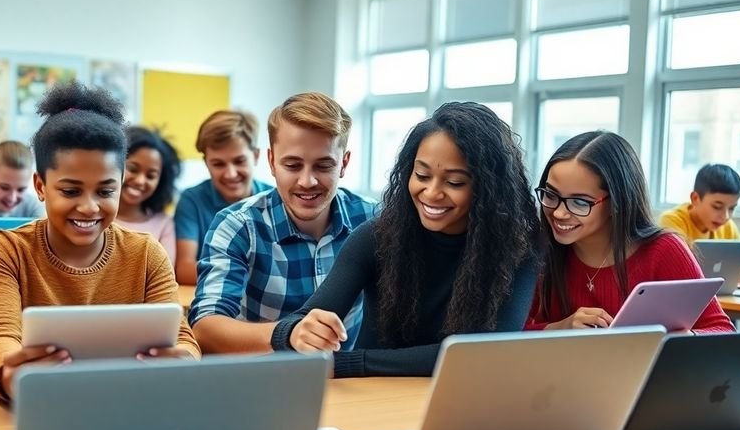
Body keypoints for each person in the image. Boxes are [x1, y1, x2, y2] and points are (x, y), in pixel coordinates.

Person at [269, 102, 540, 377]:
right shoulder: (377, 236)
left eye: (455, 182)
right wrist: (295, 333)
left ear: (489, 188)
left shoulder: (517, 250)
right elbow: (297, 322)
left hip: (460, 399)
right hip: (373, 398)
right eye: (422, 175)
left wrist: (351, 362)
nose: (431, 193)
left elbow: (480, 352)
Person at [0, 82, 200, 402]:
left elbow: (182, 337)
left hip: (133, 403)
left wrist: (185, 362)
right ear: (40, 186)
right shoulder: (6, 251)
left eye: (106, 191)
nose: (89, 207)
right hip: (43, 403)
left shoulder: (147, 253)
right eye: (70, 191)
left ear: (121, 185)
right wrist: (10, 375)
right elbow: (0, 338)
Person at [189, 92, 377, 354]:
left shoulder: (372, 220)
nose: (307, 181)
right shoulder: (237, 226)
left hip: (349, 381)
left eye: (323, 166)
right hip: (263, 380)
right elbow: (205, 328)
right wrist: (286, 334)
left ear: (344, 163)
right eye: (292, 165)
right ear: (271, 162)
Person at [526, 131, 735, 333]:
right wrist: (561, 328)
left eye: (580, 202)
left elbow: (722, 329)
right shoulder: (538, 248)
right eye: (551, 195)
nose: (559, 213)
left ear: (617, 202)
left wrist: (683, 339)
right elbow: (506, 333)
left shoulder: (663, 250)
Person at [174, 110, 272, 284]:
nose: (230, 174)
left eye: (239, 161)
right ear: (206, 163)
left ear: (256, 156)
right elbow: (184, 269)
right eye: (218, 164)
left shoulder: (275, 199)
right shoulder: (192, 200)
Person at [660, 163, 740, 287]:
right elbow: (679, 270)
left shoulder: (727, 226)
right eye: (717, 207)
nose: (725, 216)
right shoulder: (672, 221)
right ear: (695, 199)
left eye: (732, 208)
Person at [113, 126, 180, 263]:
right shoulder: (95, 214)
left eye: (151, 176)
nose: (140, 181)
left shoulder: (164, 224)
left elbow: (165, 274)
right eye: (132, 169)